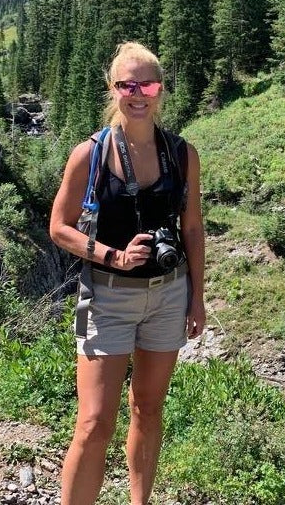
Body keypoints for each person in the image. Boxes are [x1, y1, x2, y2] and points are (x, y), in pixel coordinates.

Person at [50, 41, 206, 505]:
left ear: (161, 90)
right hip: (107, 296)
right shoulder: (90, 155)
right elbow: (59, 227)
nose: (139, 94)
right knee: (95, 422)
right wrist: (112, 255)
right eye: (128, 84)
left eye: (148, 84)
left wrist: (197, 298)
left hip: (168, 295)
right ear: (113, 88)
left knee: (149, 410)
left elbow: (192, 227)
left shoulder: (182, 154)